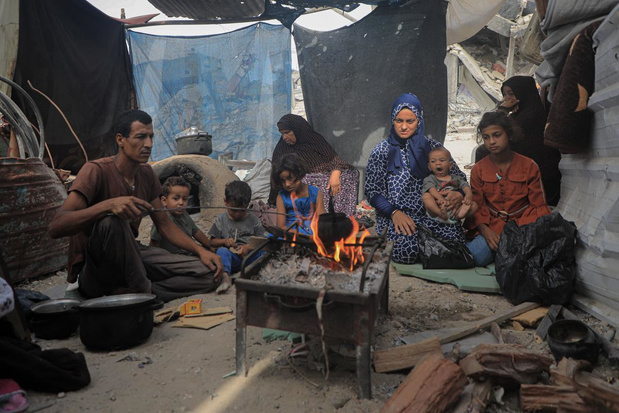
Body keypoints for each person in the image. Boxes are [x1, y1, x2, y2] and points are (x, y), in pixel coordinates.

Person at [48, 109, 224, 302]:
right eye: (140, 137)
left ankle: (131, 294)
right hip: (97, 267)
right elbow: (57, 226)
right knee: (112, 223)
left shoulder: (147, 174)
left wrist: (201, 251)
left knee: (208, 273)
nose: (148, 144)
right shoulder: (95, 171)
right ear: (120, 139)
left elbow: (164, 224)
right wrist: (107, 206)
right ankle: (142, 293)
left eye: (150, 137)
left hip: (133, 254)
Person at [365, 93, 466, 264]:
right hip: (399, 215)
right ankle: (420, 247)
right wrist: (394, 213)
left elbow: (459, 177)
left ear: (419, 120)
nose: (404, 127)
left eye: (410, 121)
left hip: (433, 214)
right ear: (392, 120)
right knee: (406, 253)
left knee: (456, 243)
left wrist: (460, 194)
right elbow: (373, 191)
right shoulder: (382, 150)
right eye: (399, 121)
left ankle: (425, 248)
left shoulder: (433, 148)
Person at [465, 111, 551, 267]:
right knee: (476, 256)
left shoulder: (529, 166)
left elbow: (538, 207)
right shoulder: (478, 169)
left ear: (509, 134)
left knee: (530, 258)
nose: (491, 141)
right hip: (492, 227)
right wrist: (485, 231)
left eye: (497, 135)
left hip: (522, 227)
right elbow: (477, 208)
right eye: (486, 137)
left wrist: (518, 234)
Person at [269, 114, 358, 217]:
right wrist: (273, 200)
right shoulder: (282, 149)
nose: (284, 137)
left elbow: (335, 159)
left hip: (326, 175)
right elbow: (277, 175)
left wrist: (335, 174)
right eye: (282, 134)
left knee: (351, 174)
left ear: (298, 129)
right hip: (304, 179)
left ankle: (343, 216)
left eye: (287, 132)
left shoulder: (314, 140)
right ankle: (321, 216)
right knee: (310, 181)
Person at [498, 76, 562, 206]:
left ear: (523, 93)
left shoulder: (532, 115)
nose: (507, 98)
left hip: (541, 177)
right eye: (505, 95)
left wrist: (503, 111)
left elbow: (499, 131)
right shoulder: (518, 114)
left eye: (511, 94)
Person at [208, 180, 266, 293]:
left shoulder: (253, 219)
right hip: (232, 259)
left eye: (241, 210)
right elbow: (212, 242)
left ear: (248, 204)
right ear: (225, 202)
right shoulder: (221, 219)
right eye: (233, 210)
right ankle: (225, 278)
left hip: (249, 258)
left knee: (265, 253)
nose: (237, 214)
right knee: (222, 252)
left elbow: (262, 240)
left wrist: (249, 247)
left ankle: (249, 274)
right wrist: (224, 241)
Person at [150, 176, 211, 255]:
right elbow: (154, 244)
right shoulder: (162, 218)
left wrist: (210, 246)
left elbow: (196, 232)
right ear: (164, 201)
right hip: (173, 257)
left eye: (184, 199)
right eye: (176, 198)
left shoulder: (184, 214)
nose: (181, 203)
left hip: (188, 253)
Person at [272, 153, 326, 235]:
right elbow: (281, 227)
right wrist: (300, 235)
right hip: (289, 234)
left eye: (290, 178)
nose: (287, 184)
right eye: (283, 181)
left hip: (313, 234)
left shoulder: (315, 192)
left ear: (300, 174)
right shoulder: (281, 196)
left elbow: (323, 221)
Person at [422, 147, 478, 223]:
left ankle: (458, 216)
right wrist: (440, 198)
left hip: (455, 207)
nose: (438, 163)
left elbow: (465, 186)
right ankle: (440, 213)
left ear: (450, 165)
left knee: (474, 205)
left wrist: (468, 195)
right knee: (426, 196)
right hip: (438, 208)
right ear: (429, 167)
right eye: (433, 161)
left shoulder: (456, 178)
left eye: (442, 160)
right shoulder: (430, 179)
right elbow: (432, 190)